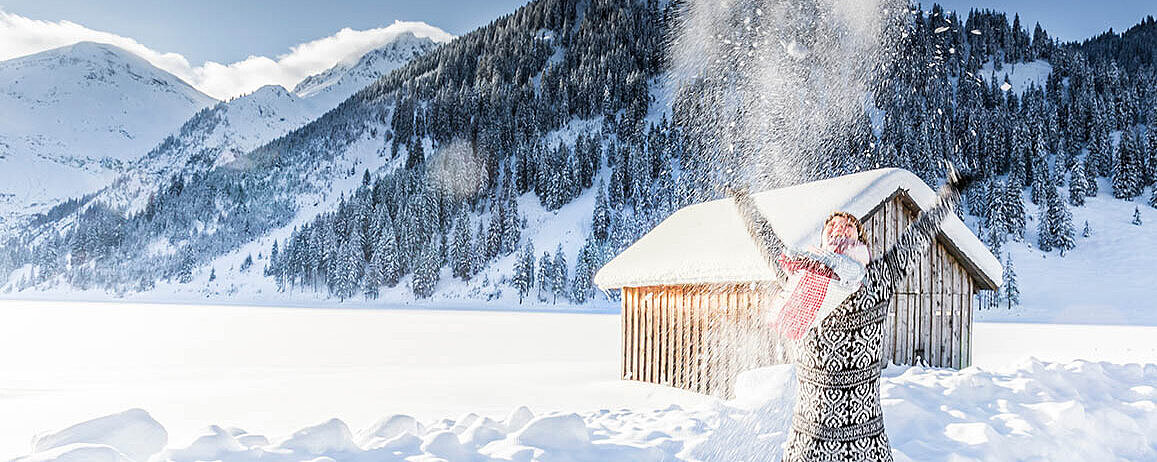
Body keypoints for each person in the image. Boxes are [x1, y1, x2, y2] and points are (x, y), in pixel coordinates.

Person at [728, 165, 967, 462]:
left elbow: (917, 236)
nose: (839, 229)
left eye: (848, 227)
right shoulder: (801, 277)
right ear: (823, 240)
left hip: (866, 443)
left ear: (861, 240)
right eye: (832, 227)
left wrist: (949, 194)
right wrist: (743, 202)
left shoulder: (879, 277)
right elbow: (768, 243)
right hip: (811, 441)